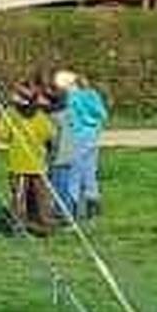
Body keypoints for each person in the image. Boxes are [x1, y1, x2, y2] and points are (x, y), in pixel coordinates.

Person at [0, 85, 57, 235]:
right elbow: (50, 134)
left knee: (19, 197)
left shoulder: (10, 114)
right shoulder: (40, 115)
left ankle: (19, 226)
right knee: (41, 197)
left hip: (19, 163)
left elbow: (3, 136)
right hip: (37, 163)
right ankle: (45, 225)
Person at [57, 70, 109, 220]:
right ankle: (93, 203)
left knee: (74, 172)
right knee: (90, 170)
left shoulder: (71, 98)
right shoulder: (92, 94)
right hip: (92, 136)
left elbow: (69, 119)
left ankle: (71, 208)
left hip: (76, 136)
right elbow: (102, 114)